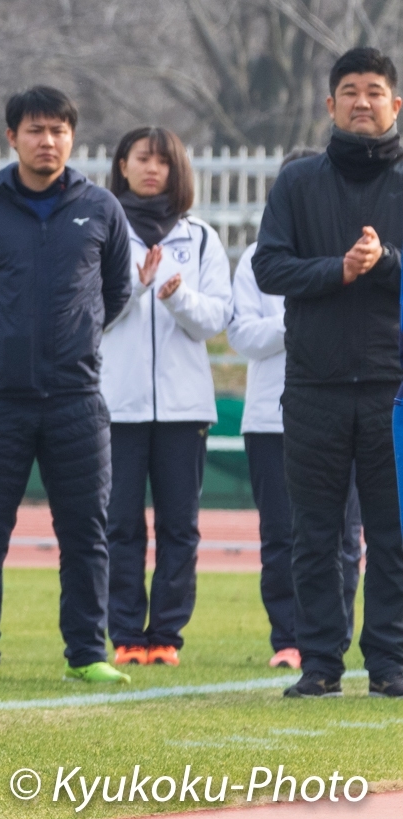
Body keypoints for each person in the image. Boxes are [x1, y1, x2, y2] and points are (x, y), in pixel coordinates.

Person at [0, 85, 133, 684]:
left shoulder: (101, 208)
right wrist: (3, 343)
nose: (46, 141)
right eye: (34, 130)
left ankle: (87, 653)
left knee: (86, 534)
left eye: (57, 130)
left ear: (71, 137)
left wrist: (73, 337)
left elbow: (115, 292)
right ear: (12, 137)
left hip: (78, 400)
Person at [251, 46, 403, 700]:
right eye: (350, 90)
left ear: (396, 104)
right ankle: (320, 662)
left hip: (394, 388)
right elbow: (269, 268)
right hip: (313, 386)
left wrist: (385, 260)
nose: (362, 101)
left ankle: (391, 662)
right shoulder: (298, 181)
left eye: (374, 90)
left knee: (393, 532)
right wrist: (336, 269)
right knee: (312, 532)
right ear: (330, 104)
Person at [99, 127, 232, 668]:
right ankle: (127, 634)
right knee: (121, 525)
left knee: (180, 526)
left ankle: (167, 636)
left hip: (184, 407)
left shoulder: (200, 237)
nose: (152, 169)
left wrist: (177, 297)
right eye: (141, 159)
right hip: (119, 404)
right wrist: (135, 287)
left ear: (178, 170)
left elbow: (217, 318)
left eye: (163, 161)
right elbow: (96, 313)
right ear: (122, 166)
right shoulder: (106, 231)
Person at [229, 147, 362, 673]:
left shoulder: (354, 259)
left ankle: (336, 637)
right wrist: (301, 323)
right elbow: (241, 333)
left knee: (344, 536)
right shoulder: (259, 257)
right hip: (270, 417)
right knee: (282, 536)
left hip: (341, 411)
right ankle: (288, 637)